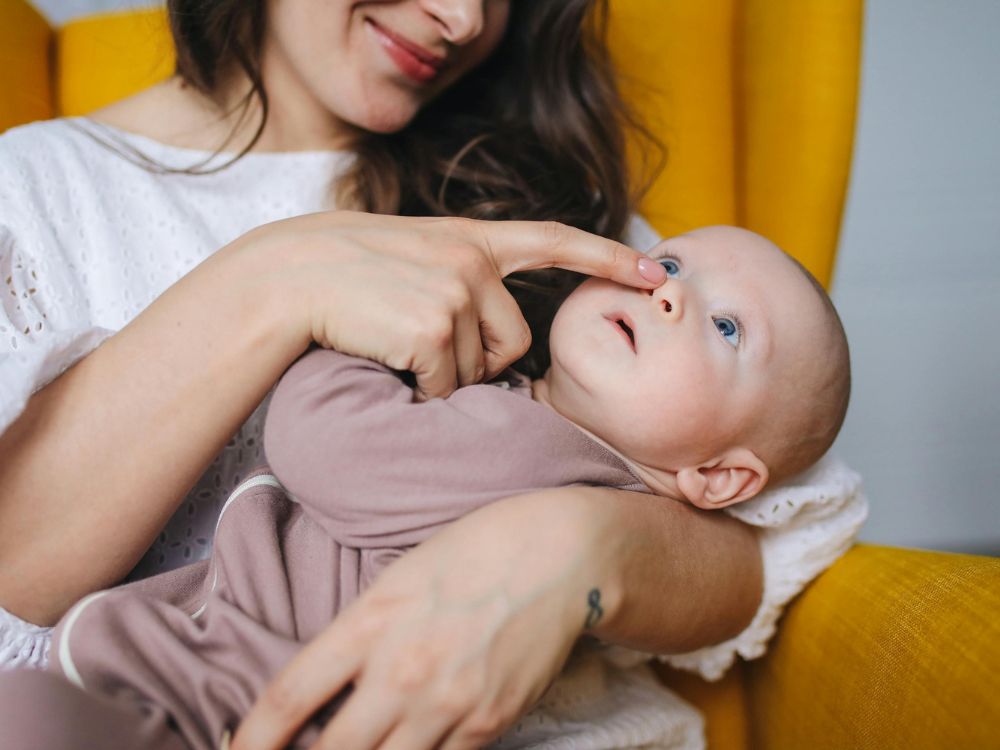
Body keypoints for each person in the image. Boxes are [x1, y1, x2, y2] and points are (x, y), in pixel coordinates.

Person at [0, 1, 865, 748]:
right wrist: (279, 280)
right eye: (671, 273)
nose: (464, 20)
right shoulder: (38, 193)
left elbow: (761, 538)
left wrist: (572, 550)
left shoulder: (550, 205)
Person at [0, 225, 863, 750]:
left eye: (725, 326)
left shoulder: (532, 448)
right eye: (670, 262)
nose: (674, 294)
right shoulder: (543, 439)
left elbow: (329, 446)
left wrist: (337, 330)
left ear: (717, 476)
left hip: (239, 698)